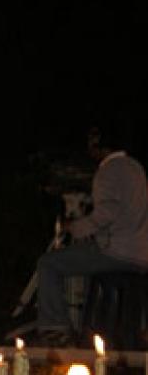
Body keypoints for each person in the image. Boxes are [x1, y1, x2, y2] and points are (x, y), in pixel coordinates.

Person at [37, 121, 148, 346]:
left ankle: (55, 328)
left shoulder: (108, 171)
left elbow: (108, 212)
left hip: (116, 253)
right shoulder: (135, 167)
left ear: (99, 143)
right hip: (141, 254)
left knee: (49, 264)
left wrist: (74, 227)